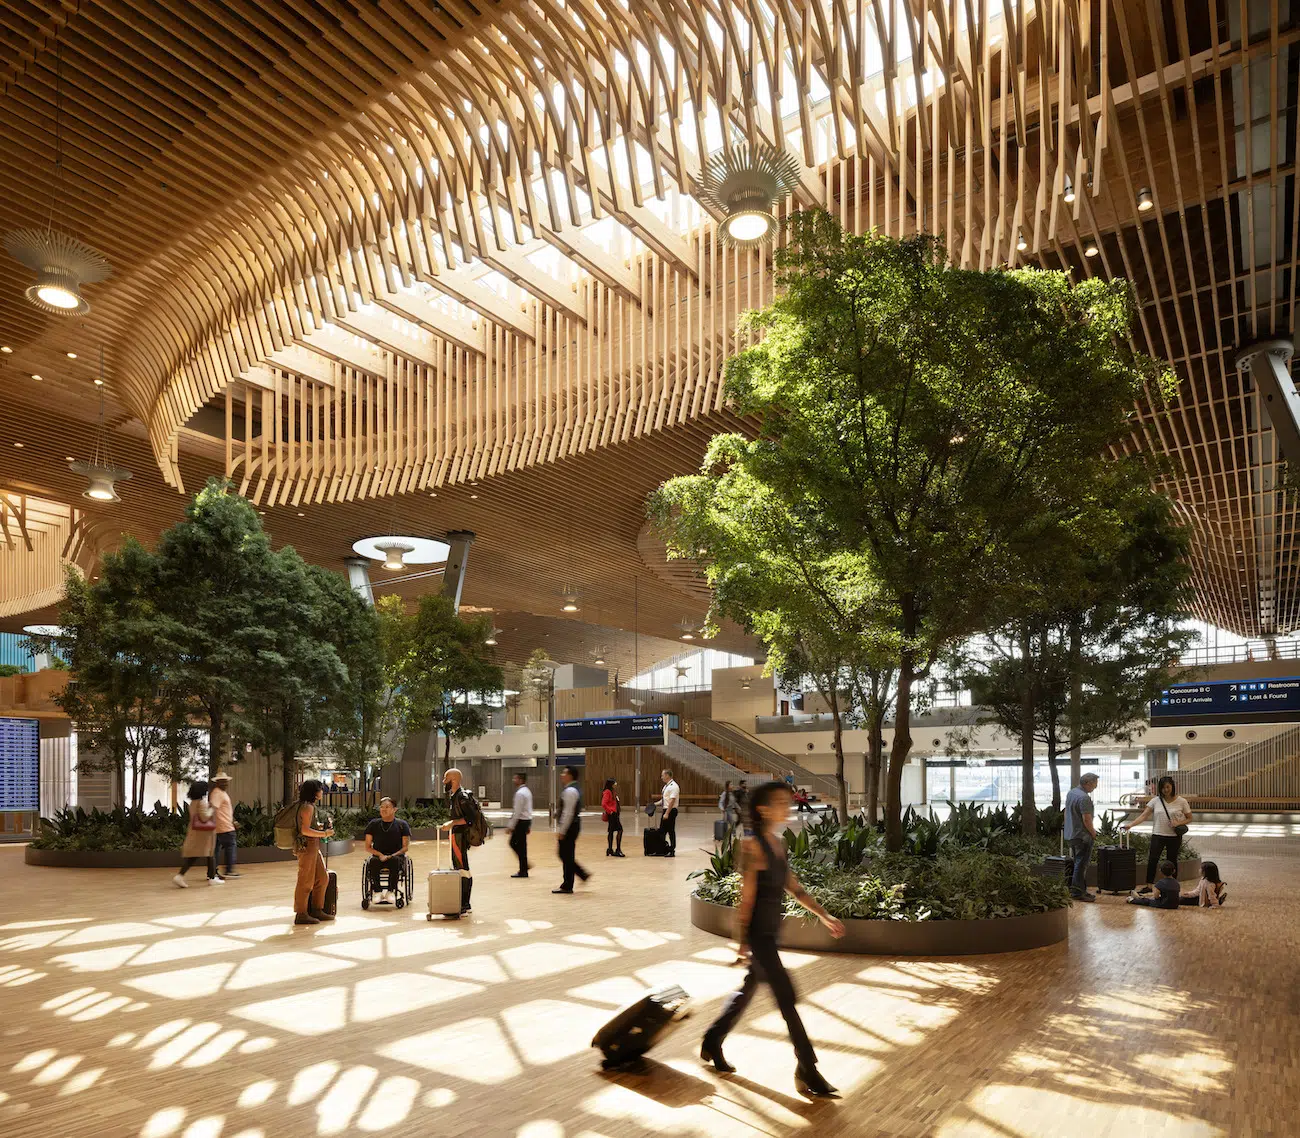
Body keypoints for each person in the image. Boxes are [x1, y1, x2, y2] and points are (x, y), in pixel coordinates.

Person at [700, 780, 845, 1098]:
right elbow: (746, 897)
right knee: (787, 999)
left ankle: (712, 1039)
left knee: (748, 990)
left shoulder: (777, 844)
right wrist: (742, 941)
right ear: (763, 809)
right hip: (760, 938)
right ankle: (807, 1067)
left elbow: (795, 889)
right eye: (781, 802)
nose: (787, 806)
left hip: (770, 935)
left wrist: (825, 916)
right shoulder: (752, 846)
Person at [1122, 775, 1192, 884]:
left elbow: (1189, 818)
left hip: (1174, 836)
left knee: (1172, 860)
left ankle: (1172, 884)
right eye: (1163, 788)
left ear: (1172, 786)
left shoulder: (1181, 801)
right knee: (1153, 860)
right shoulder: (1155, 801)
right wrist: (1130, 825)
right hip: (1158, 835)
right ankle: (1149, 885)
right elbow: (1144, 816)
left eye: (1168, 787)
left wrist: (1178, 823)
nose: (1166, 790)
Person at [293, 779, 335, 925]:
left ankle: (317, 909)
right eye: (320, 789)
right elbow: (304, 830)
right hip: (307, 847)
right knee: (305, 881)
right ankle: (301, 913)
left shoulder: (308, 806)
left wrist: (318, 827)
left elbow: (306, 825)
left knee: (322, 878)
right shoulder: (307, 807)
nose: (322, 792)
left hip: (312, 846)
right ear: (315, 792)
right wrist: (324, 834)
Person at [439, 767, 477, 914]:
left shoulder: (462, 797)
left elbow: (470, 819)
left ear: (453, 780)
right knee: (460, 868)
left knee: (462, 868)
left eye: (445, 778)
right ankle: (463, 903)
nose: (443, 781)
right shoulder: (455, 796)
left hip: (460, 837)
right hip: (456, 836)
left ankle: (464, 904)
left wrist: (452, 823)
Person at [173, 781, 222, 888]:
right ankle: (181, 876)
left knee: (206, 854)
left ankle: (211, 877)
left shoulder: (193, 803)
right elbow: (205, 817)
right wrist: (212, 808)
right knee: (205, 854)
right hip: (203, 834)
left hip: (196, 832)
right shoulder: (201, 802)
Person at [363, 797, 411, 902]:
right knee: (373, 861)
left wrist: (391, 856)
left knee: (395, 861)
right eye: (382, 807)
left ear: (395, 809)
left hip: (395, 856)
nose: (384, 809)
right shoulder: (373, 824)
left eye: (387, 807)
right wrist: (380, 854)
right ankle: (377, 891)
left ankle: (391, 891)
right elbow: (367, 847)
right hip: (378, 856)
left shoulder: (402, 825)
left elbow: (405, 847)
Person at [554, 766, 591, 894]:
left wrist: (562, 831)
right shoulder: (573, 789)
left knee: (565, 854)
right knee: (566, 854)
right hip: (573, 825)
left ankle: (569, 883)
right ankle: (576, 878)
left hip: (570, 826)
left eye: (564, 773)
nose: (561, 775)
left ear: (570, 775)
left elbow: (568, 813)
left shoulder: (570, 791)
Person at [1063, 772, 1099, 902]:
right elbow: (1086, 819)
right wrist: (1093, 832)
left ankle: (1080, 890)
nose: (1095, 787)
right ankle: (1078, 892)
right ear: (1088, 783)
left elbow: (1066, 812)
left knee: (1078, 861)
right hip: (1082, 836)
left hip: (1071, 834)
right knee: (1081, 864)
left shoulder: (1071, 793)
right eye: (1094, 784)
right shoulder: (1084, 798)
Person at [208, 772, 239, 878]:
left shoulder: (220, 793)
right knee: (230, 846)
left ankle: (212, 872)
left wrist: (232, 821)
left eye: (226, 781)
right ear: (217, 783)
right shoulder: (217, 793)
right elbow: (213, 809)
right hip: (223, 826)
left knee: (216, 850)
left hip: (222, 826)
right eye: (223, 782)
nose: (225, 784)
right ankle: (229, 870)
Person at [507, 772, 533, 878]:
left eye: (516, 778)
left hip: (520, 822)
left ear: (521, 780)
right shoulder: (527, 791)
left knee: (514, 843)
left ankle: (524, 868)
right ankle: (524, 868)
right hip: (526, 821)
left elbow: (517, 811)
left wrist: (511, 826)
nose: (514, 780)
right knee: (522, 846)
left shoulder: (520, 793)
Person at [656, 768, 680, 857]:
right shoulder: (666, 786)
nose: (661, 777)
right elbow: (665, 800)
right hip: (665, 809)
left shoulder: (674, 786)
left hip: (670, 810)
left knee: (670, 831)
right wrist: (655, 804)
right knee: (662, 831)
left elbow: (672, 801)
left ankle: (672, 850)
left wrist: (667, 813)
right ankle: (663, 849)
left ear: (667, 775)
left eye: (662, 775)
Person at [602, 777, 624, 857]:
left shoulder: (613, 791)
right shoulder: (607, 792)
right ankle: (617, 849)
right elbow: (604, 803)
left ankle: (610, 849)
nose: (616, 784)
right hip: (612, 814)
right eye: (614, 782)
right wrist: (610, 811)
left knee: (611, 831)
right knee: (620, 830)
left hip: (615, 814)